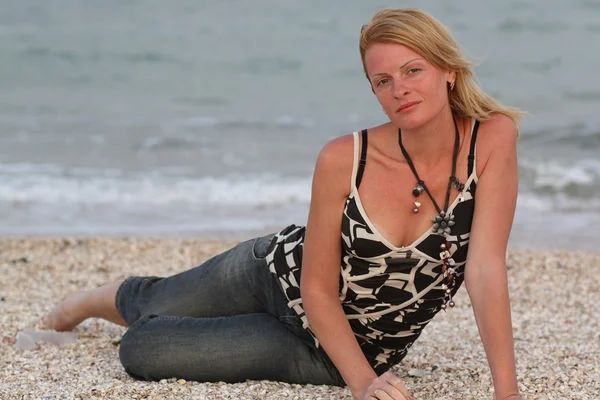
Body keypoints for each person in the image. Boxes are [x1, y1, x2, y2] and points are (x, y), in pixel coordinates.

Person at [41, 8, 524, 400]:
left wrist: (508, 395)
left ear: (449, 72)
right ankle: (79, 305)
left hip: (329, 352)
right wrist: (364, 389)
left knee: (140, 349)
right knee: (154, 302)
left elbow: (484, 270)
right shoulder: (344, 158)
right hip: (273, 273)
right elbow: (316, 288)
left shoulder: (493, 140)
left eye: (413, 70)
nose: (400, 90)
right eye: (382, 80)